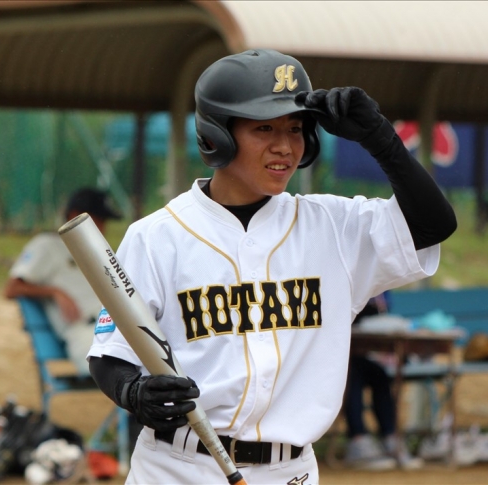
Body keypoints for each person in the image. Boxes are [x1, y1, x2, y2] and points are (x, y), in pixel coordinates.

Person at [87, 48, 456, 484]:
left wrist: (380, 137)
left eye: (295, 129)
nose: (284, 146)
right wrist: (134, 392)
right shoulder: (157, 236)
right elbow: (110, 355)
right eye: (264, 128)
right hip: (178, 469)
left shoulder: (332, 226)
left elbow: (433, 225)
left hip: (290, 471)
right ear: (218, 135)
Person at [4, 187, 122, 376]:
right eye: (98, 220)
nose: (103, 228)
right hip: (86, 333)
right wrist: (55, 292)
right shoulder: (47, 245)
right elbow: (12, 288)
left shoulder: (99, 252)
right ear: (75, 216)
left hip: (117, 328)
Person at [343, 293, 424, 471]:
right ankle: (357, 440)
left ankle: (390, 437)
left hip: (359, 350)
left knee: (379, 375)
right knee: (351, 375)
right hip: (336, 357)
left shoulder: (382, 292)